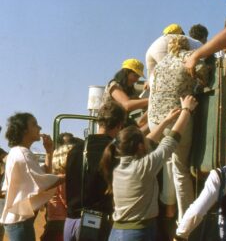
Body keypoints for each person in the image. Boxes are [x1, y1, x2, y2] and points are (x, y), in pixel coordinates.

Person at [100, 96, 198, 241]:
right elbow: (171, 140)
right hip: (138, 233)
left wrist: (165, 121)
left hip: (116, 233)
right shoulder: (144, 166)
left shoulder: (116, 165)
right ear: (140, 147)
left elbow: (149, 141)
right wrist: (186, 110)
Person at [148, 35, 209, 227]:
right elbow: (206, 79)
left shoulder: (159, 65)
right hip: (177, 121)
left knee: (166, 163)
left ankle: (168, 207)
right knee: (181, 171)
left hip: (155, 122)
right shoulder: (190, 56)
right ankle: (185, 222)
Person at [64, 101, 127, 241]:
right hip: (95, 224)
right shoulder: (114, 151)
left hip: (70, 222)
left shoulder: (75, 150)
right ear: (120, 125)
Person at [1, 113, 64, 240]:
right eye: (34, 124)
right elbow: (43, 182)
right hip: (20, 222)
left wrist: (49, 151)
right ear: (24, 129)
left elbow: (44, 173)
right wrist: (72, 174)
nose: (39, 128)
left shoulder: (18, 151)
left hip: (19, 219)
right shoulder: (22, 154)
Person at [41, 133, 80, 241]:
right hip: (61, 223)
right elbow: (68, 201)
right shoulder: (64, 178)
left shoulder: (55, 176)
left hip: (54, 221)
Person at [102, 58, 149, 131]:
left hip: (122, 122)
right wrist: (151, 100)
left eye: (138, 77)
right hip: (110, 123)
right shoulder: (114, 85)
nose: (137, 80)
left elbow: (141, 103)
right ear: (126, 73)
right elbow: (127, 105)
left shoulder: (130, 90)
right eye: (135, 75)